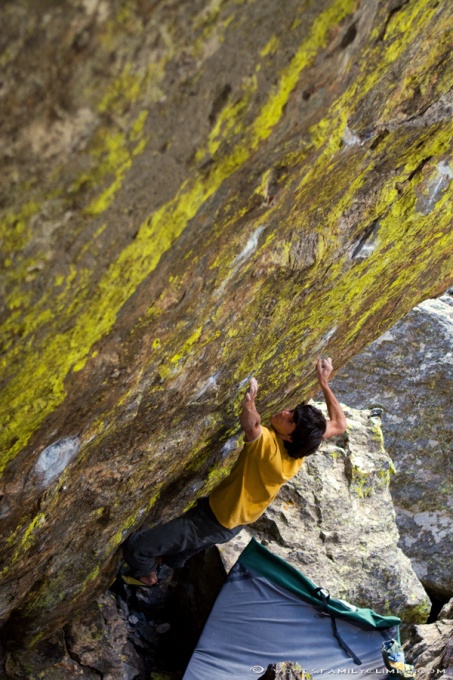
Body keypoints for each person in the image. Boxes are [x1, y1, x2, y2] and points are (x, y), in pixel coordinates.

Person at [122, 357, 346, 586]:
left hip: (211, 520)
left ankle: (147, 577)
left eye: (289, 420)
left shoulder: (269, 450)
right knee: (176, 551)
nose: (284, 413)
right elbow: (339, 424)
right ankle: (164, 562)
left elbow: (251, 426)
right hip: (234, 522)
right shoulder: (303, 444)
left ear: (289, 436)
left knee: (137, 546)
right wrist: (324, 381)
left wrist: (249, 403)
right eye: (292, 412)